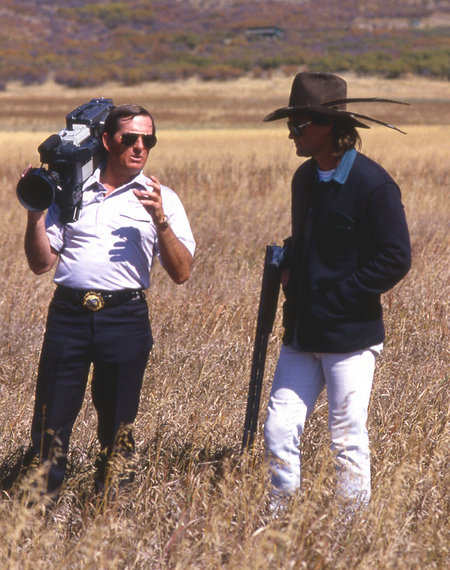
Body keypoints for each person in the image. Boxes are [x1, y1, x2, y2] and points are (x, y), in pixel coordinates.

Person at [20, 103, 195, 494]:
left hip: (125, 317)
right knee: (52, 417)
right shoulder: (70, 193)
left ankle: (109, 506)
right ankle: (38, 508)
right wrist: (36, 212)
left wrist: (160, 221)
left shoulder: (160, 197)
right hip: (69, 315)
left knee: (118, 421)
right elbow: (40, 263)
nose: (139, 147)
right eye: (128, 138)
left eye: (147, 140)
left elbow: (182, 273)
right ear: (106, 141)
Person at [262, 72, 411, 509]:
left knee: (346, 438)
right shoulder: (304, 180)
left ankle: (353, 533)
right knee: (278, 429)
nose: (292, 135)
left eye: (298, 125)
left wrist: (336, 297)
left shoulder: (373, 185)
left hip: (350, 336)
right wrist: (289, 259)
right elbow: (310, 242)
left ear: (326, 126)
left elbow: (395, 258)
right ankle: (278, 520)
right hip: (301, 334)